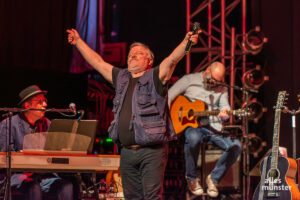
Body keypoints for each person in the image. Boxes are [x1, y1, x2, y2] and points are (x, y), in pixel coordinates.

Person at [67, 28, 200, 199]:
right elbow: (97, 62)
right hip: (127, 152)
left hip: (151, 151)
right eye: (130, 54)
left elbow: (172, 60)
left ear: (149, 60)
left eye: (138, 53)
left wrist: (186, 42)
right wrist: (78, 42)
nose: (132, 56)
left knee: (152, 197)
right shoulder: (121, 77)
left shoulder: (155, 77)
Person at [168, 62, 242, 198]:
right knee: (193, 138)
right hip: (192, 126)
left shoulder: (222, 88)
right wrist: (167, 120)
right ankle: (191, 178)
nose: (214, 83)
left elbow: (225, 106)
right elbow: (169, 95)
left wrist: (224, 114)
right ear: (207, 70)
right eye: (212, 79)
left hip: (213, 127)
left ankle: (213, 179)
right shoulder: (189, 80)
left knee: (236, 146)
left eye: (217, 81)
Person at [0, 85, 74, 200]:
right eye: (40, 102)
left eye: (45, 101)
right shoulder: (9, 124)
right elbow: (4, 156)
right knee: (34, 187)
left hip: (43, 176)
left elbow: (54, 151)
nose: (45, 105)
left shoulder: (48, 124)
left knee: (66, 186)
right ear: (27, 105)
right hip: (17, 176)